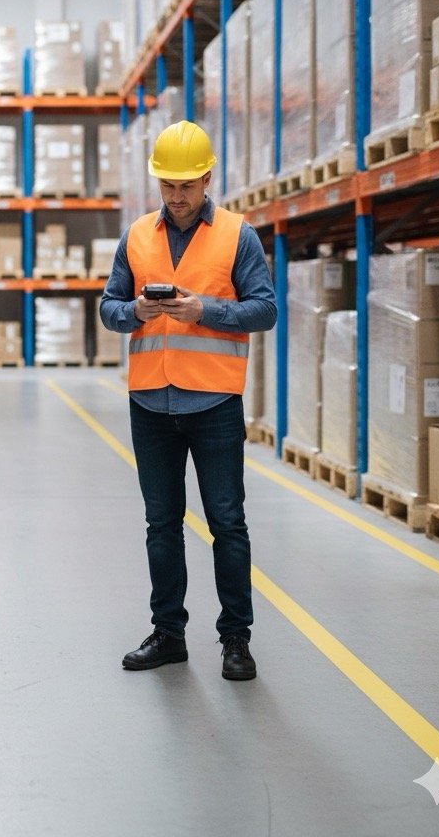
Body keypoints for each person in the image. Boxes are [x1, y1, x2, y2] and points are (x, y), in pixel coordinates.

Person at [99, 120, 276, 681]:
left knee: (227, 522)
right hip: (150, 400)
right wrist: (135, 313)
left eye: (187, 186)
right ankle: (169, 633)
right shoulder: (136, 236)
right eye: (168, 186)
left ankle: (235, 640)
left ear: (206, 179)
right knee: (161, 523)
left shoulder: (236, 235)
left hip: (214, 403)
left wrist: (206, 311)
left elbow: (265, 309)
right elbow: (107, 307)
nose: (177, 197)